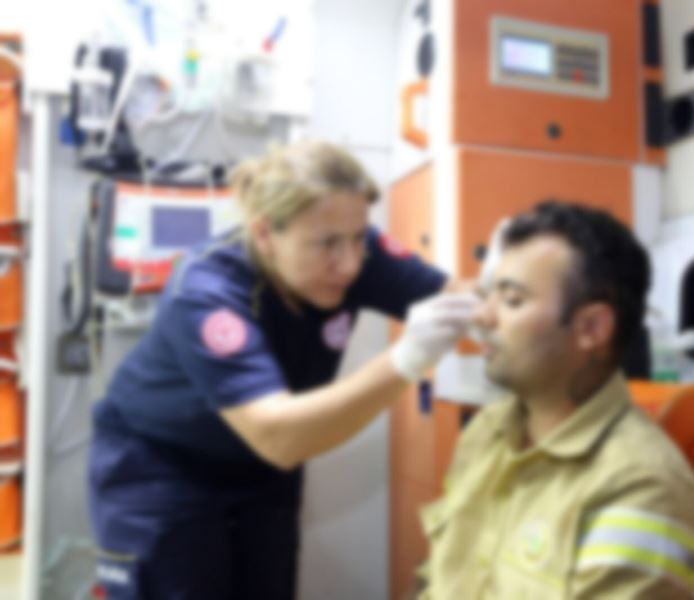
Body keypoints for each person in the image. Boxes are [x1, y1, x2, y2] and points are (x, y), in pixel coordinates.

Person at [87, 141, 477, 599]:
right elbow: (279, 437)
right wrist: (407, 358)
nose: (350, 264)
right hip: (162, 467)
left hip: (259, 469)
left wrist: (502, 283)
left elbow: (458, 299)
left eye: (357, 238)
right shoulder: (205, 289)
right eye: (327, 244)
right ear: (265, 234)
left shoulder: (354, 249)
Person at [417, 201, 694, 599]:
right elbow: (438, 576)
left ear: (591, 328)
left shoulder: (644, 488)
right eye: (488, 297)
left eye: (512, 300)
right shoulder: (487, 430)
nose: (482, 318)